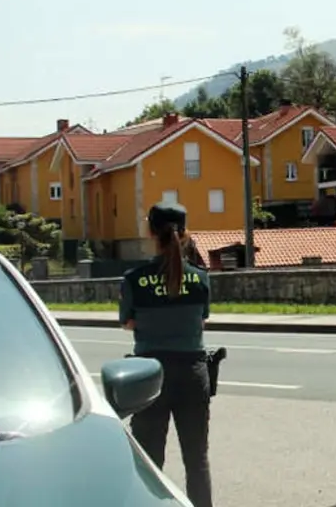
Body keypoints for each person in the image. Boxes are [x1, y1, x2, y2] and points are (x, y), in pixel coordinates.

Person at [119, 202, 213, 507]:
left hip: (150, 377)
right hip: (192, 374)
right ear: (185, 233)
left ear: (150, 231)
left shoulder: (134, 279)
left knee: (149, 461)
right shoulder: (200, 278)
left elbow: (128, 322)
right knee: (196, 459)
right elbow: (200, 320)